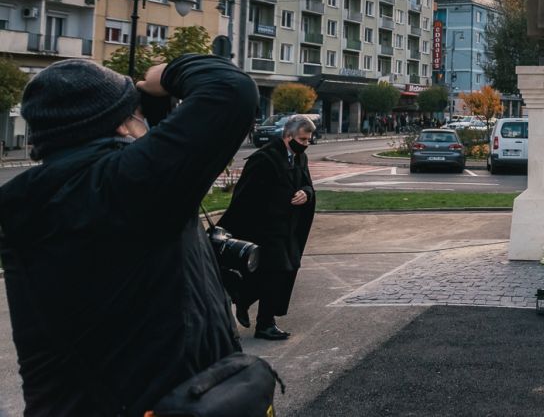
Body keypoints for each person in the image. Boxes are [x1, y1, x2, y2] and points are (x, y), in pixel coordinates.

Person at [0, 55, 258, 415]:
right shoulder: (127, 186)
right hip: (162, 401)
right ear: (122, 125)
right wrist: (167, 74)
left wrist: (151, 112)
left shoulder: (45, 199)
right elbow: (233, 91)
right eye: (137, 113)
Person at [219, 114, 317, 340]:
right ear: (287, 136)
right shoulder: (264, 159)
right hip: (266, 228)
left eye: (308, 140)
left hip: (288, 227)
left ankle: (243, 299)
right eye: (302, 140)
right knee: (276, 272)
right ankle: (265, 324)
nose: (305, 144)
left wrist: (307, 193)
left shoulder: (300, 158)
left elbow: (306, 184)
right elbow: (247, 197)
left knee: (288, 268)